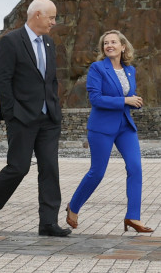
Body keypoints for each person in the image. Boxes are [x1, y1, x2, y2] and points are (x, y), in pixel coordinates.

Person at [0, 0, 71, 236]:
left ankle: (48, 222)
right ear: (37, 15)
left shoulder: (50, 43)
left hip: (49, 118)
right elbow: (3, 81)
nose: (54, 21)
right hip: (21, 118)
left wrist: (55, 109)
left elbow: (50, 80)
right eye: (51, 17)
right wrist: (12, 114)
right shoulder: (11, 41)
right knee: (18, 168)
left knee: (50, 168)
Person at [66, 30, 153, 233]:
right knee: (97, 172)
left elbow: (128, 96)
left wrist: (134, 102)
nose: (109, 45)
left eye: (114, 42)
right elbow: (95, 99)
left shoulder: (130, 70)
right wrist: (125, 100)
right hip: (101, 128)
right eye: (106, 43)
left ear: (123, 46)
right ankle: (74, 206)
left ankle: (133, 217)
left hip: (125, 126)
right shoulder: (97, 68)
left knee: (135, 168)